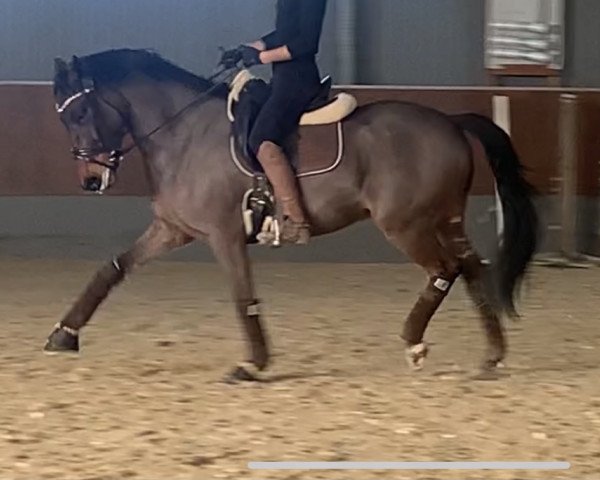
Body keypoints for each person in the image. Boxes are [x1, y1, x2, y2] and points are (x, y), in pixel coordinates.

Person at [223, 0, 329, 245]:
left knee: (261, 139)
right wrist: (246, 49)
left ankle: (296, 221)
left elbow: (306, 44)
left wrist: (260, 57)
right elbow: (284, 34)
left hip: (298, 81)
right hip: (282, 79)